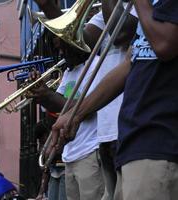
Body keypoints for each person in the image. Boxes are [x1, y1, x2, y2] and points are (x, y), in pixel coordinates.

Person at [52, 0, 178, 199]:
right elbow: (129, 63)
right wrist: (75, 114)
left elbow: (165, 44)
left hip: (159, 141)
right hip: (134, 142)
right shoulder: (153, 8)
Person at [33, 0, 138, 199]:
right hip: (106, 133)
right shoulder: (103, 16)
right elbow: (77, 43)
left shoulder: (141, 7)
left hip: (127, 127)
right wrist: (48, 6)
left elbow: (121, 34)